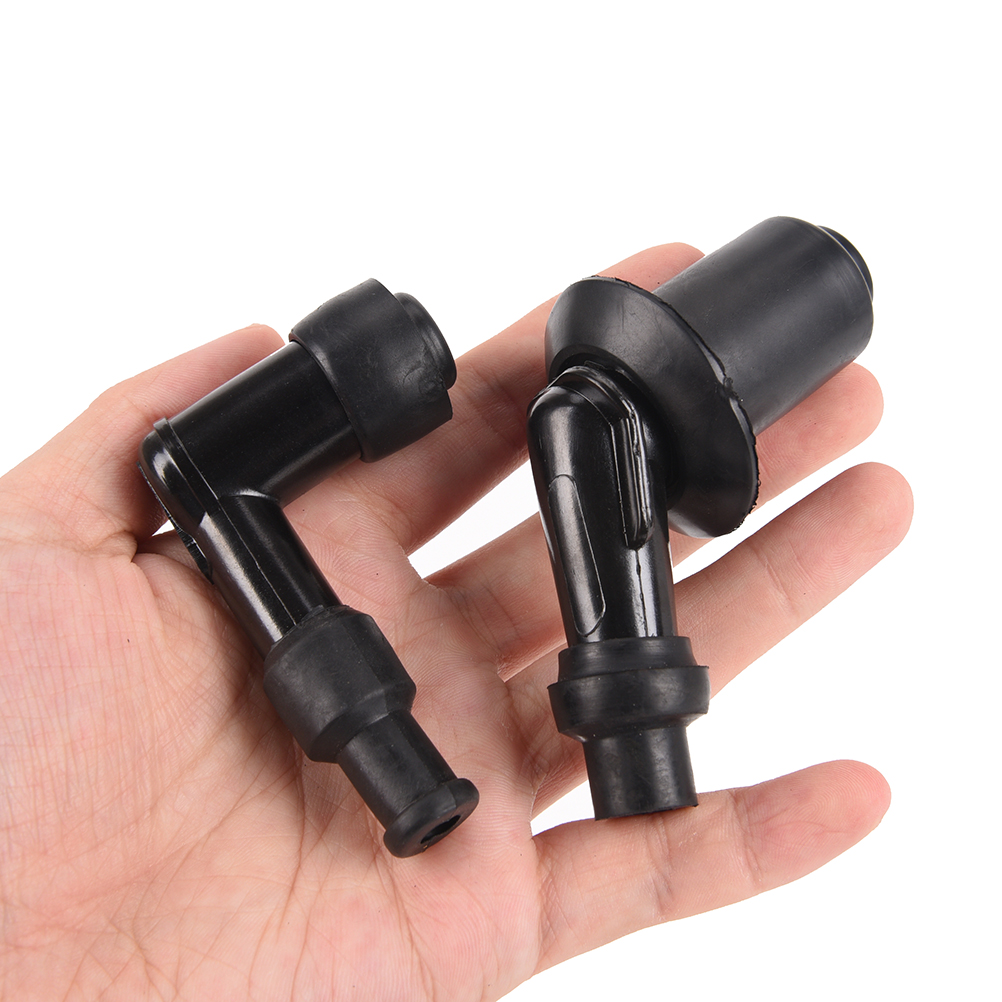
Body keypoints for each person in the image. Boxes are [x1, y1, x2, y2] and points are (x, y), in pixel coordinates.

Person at [0, 242, 912, 1000]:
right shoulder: (582, 410)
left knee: (575, 413)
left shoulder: (590, 410)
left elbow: (582, 420)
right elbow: (189, 470)